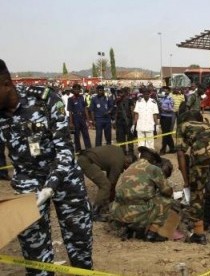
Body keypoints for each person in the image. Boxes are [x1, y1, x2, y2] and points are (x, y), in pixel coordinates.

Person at [0, 59, 93, 275]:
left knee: (80, 245)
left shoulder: (43, 98)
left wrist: (50, 187)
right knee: (34, 254)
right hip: (28, 182)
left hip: (65, 177)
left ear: (6, 84)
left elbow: (64, 150)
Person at [176, 110, 210, 244]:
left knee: (197, 193)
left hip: (201, 152)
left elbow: (180, 154)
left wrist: (186, 180)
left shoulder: (183, 126)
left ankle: (199, 235)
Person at [110, 146, 174, 242]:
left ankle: (130, 228)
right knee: (165, 200)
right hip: (137, 213)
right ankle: (152, 233)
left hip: (118, 212)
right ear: (153, 160)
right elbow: (167, 191)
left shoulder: (129, 167)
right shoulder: (153, 169)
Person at [77, 145, 128, 221]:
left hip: (85, 157)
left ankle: (103, 206)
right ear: (128, 162)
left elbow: (109, 174)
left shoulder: (119, 151)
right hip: (87, 162)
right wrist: (113, 202)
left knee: (106, 184)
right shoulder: (119, 162)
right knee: (105, 186)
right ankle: (95, 213)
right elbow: (112, 183)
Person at [68, 83, 92, 152]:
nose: (77, 91)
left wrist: (88, 120)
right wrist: (71, 123)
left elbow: (85, 109)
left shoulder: (82, 97)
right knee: (77, 135)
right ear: (73, 90)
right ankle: (78, 150)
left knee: (86, 134)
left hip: (82, 118)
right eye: (75, 89)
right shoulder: (70, 99)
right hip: (75, 118)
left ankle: (89, 149)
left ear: (79, 90)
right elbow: (70, 112)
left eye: (78, 89)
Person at [114, 87, 136, 158]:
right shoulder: (118, 101)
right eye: (120, 92)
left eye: (122, 92)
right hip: (120, 122)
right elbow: (116, 111)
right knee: (121, 138)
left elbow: (132, 111)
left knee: (130, 138)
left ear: (125, 93)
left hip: (128, 121)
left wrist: (133, 122)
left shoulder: (130, 100)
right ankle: (122, 152)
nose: (120, 94)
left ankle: (131, 152)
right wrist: (115, 121)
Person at [159, 88, 176, 154]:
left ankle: (163, 149)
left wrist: (163, 109)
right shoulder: (162, 98)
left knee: (165, 134)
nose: (164, 91)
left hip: (168, 118)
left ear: (169, 91)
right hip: (162, 117)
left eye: (166, 90)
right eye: (163, 90)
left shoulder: (170, 99)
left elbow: (171, 110)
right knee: (166, 133)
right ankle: (172, 148)